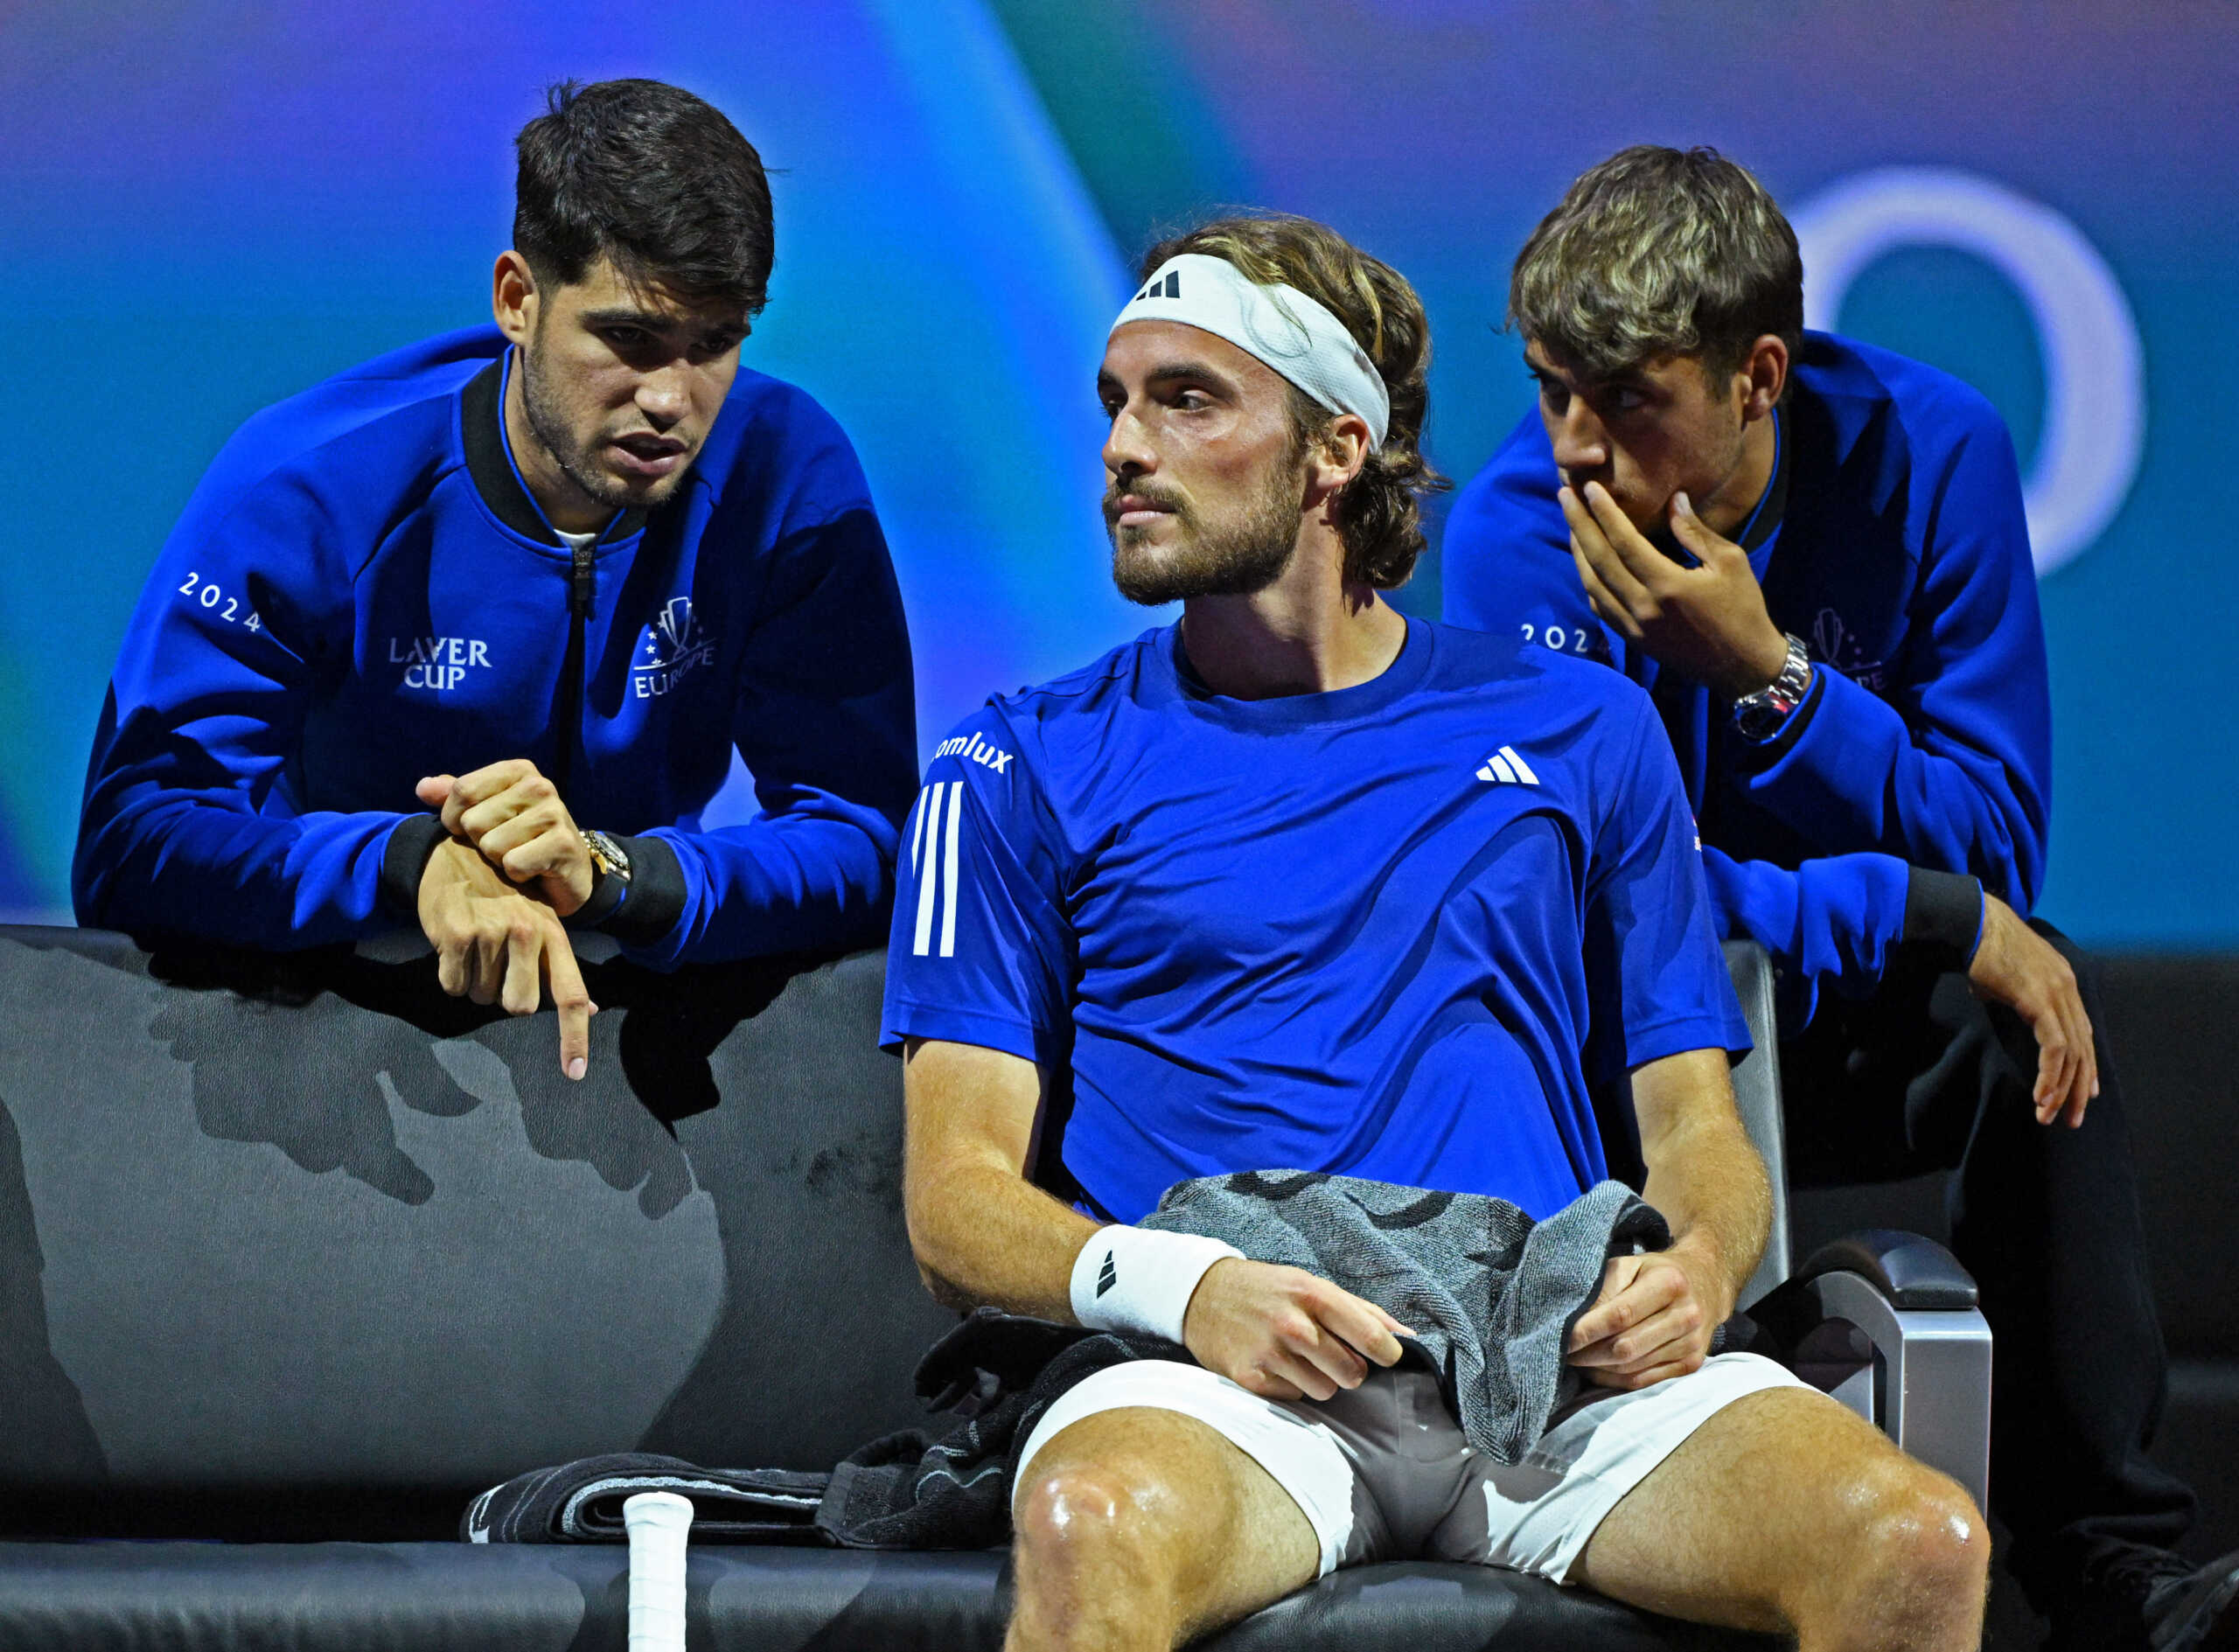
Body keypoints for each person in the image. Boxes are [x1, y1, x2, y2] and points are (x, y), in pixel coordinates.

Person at [886, 213, 1990, 1652]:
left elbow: (1697, 1127)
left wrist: (1703, 1269)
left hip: (1551, 1365)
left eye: (1189, 398)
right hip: (1218, 1374)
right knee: (1095, 1530)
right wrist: (1190, 1285)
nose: (1122, 445)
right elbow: (953, 1199)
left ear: (1337, 448)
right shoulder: (1013, 761)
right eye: (1116, 400)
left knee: (1917, 1544)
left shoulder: (1583, 728)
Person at [1441, 144, 2237, 1651]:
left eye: (1622, 401)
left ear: (1756, 374)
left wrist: (1773, 679)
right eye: (1550, 389)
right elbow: (1583, 897)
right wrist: (1902, 903)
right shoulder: (1516, 533)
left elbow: (1994, 850)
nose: (1572, 451)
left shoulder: (1936, 450)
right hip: (1626, 1041)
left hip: (1832, 1020)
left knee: (2031, 1008)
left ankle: (2109, 1572)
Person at [74, 79, 917, 1078]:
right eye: (629, 337)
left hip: (635, 1024)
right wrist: (405, 862)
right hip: (336, 1032)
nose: (671, 400)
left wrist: (616, 873)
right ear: (518, 300)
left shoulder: (790, 478)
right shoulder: (311, 483)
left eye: (716, 342)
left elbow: (868, 840)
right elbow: (134, 840)